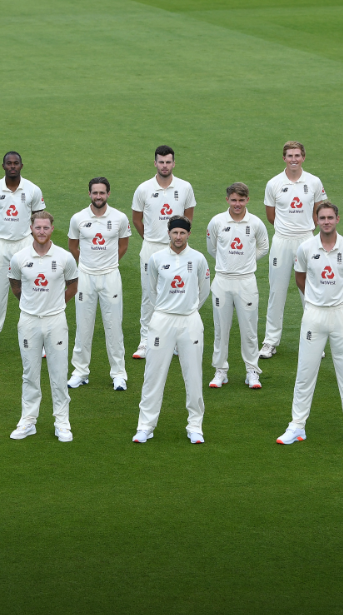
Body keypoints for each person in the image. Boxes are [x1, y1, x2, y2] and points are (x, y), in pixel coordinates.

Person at [276, 201, 343, 447]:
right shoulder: (306, 248)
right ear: (316, 220)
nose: (326, 221)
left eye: (330, 217)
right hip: (314, 315)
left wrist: (342, 298)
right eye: (322, 218)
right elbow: (300, 277)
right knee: (305, 372)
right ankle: (297, 426)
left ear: (338, 219)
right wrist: (315, 299)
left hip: (341, 315)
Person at [133, 215, 211, 444]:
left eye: (182, 233)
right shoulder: (156, 258)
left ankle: (195, 426)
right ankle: (145, 426)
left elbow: (203, 289)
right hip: (162, 320)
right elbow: (152, 289)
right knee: (153, 374)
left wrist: (189, 308)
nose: (178, 237)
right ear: (169, 233)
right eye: (175, 232)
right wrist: (166, 308)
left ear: (188, 234)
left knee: (194, 374)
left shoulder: (197, 259)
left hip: (189, 321)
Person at [8, 211, 78, 442]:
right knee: (30, 373)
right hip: (28, 321)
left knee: (58, 373)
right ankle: (28, 421)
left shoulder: (65, 257)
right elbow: (16, 286)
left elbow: (73, 284)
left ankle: (62, 422)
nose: (41, 232)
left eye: (45, 228)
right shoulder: (19, 258)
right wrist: (31, 305)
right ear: (31, 228)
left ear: (52, 229)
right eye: (37, 227)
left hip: (56, 321)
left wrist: (55, 305)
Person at [259, 141, 328, 359]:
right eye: (289, 155)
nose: (294, 159)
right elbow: (271, 216)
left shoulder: (314, 182)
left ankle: (315, 338)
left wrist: (305, 231)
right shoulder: (274, 184)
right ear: (284, 158)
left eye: (297, 155)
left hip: (307, 241)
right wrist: (287, 230)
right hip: (281, 241)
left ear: (303, 157)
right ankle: (270, 341)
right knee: (276, 292)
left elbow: (320, 211)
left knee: (310, 292)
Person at [130, 146, 196, 359]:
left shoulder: (185, 187)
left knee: (175, 294)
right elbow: (137, 219)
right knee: (149, 295)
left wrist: (176, 241)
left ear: (173, 163)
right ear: (155, 163)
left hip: (176, 249)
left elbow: (188, 219)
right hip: (151, 248)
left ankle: (174, 342)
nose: (165, 166)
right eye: (161, 162)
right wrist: (151, 239)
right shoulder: (143, 189)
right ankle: (145, 341)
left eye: (168, 162)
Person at [0, 151, 46, 357]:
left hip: (25, 245)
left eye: (16, 163)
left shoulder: (33, 190)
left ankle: (39, 340)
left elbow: (39, 221)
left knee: (32, 292)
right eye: (9, 163)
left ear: (21, 166)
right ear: (3, 166)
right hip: (0, 247)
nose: (12, 166)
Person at [67, 177, 131, 390]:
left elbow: (123, 245)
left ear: (108, 194)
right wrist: (87, 264)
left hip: (111, 276)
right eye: (95, 193)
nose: (98, 197)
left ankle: (119, 374)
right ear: (89, 194)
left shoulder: (120, 218)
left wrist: (109, 263)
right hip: (85, 276)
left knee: (113, 325)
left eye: (102, 193)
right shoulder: (78, 218)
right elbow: (73, 246)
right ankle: (80, 372)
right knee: (83, 325)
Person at [205, 182, 269, 389]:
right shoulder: (217, 222)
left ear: (247, 200)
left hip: (246, 281)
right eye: (234, 200)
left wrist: (247, 261)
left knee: (249, 330)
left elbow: (264, 247)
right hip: (222, 280)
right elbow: (212, 248)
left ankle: (252, 371)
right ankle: (220, 371)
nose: (237, 204)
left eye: (241, 200)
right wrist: (228, 263)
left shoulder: (256, 223)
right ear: (227, 200)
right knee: (220, 329)